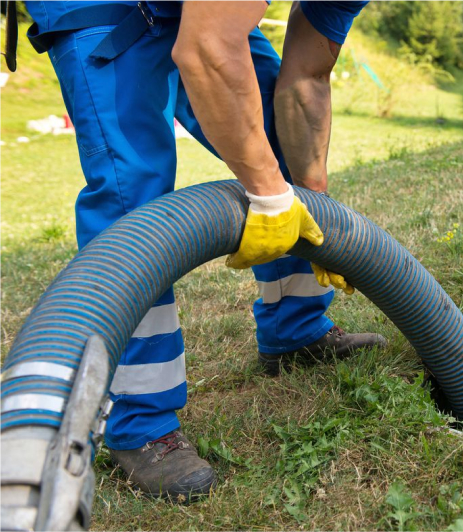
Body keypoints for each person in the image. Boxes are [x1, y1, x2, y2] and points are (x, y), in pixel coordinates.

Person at [22, 0, 384, 501]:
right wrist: (270, 195)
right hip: (104, 8)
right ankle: (139, 422)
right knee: (135, 205)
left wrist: (310, 198)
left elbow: (305, 81)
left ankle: (295, 330)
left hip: (196, 10)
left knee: (281, 142)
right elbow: (206, 49)